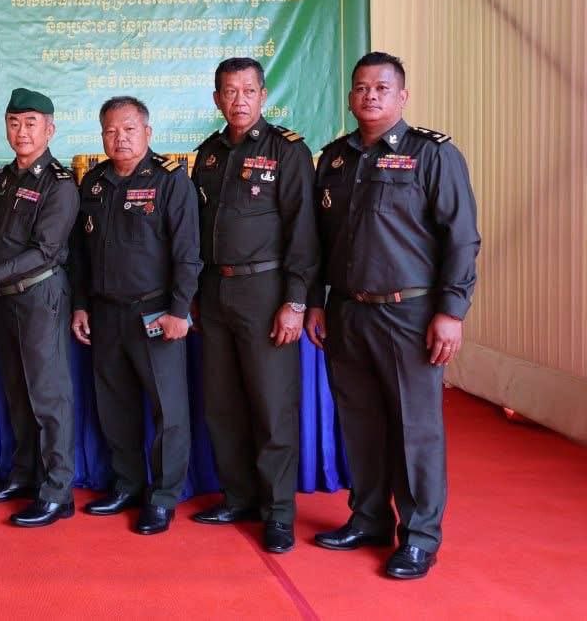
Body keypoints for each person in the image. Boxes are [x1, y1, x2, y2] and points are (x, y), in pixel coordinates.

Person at [307, 51, 480, 580]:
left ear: (402, 96)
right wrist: (315, 301)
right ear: (350, 96)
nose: (371, 96)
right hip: (347, 312)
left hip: (410, 313)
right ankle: (369, 519)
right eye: (361, 87)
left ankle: (420, 537)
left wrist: (451, 311)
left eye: (382, 88)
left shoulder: (433, 154)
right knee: (360, 424)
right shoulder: (334, 159)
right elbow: (317, 242)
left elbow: (461, 238)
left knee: (414, 428)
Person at [188, 59, 318, 553]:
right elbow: (197, 232)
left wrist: (296, 301)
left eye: (248, 90)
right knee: (222, 404)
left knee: (271, 405)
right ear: (216, 99)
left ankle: (278, 512)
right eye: (229, 91)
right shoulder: (208, 154)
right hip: (215, 292)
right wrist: (194, 294)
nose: (238, 99)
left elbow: (303, 230)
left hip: (266, 292)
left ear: (263, 95)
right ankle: (238, 496)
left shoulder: (287, 151)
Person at [69, 96, 201, 536]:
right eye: (110, 131)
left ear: (147, 132)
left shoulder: (169, 179)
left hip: (155, 313)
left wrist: (180, 310)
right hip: (106, 314)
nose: (119, 138)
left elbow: (188, 252)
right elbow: (80, 254)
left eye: (128, 129)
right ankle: (127, 485)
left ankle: (162, 498)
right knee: (115, 407)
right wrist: (81, 303)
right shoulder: (95, 182)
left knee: (169, 411)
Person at [0, 88, 80, 527]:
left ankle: (57, 491)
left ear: (49, 129)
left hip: (40, 297)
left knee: (48, 396)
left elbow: (46, 251)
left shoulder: (59, 183)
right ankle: (23, 475)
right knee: (17, 392)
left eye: (31, 123)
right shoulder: (9, 177)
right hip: (8, 299)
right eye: (14, 122)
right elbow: (9, 237)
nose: (21, 131)